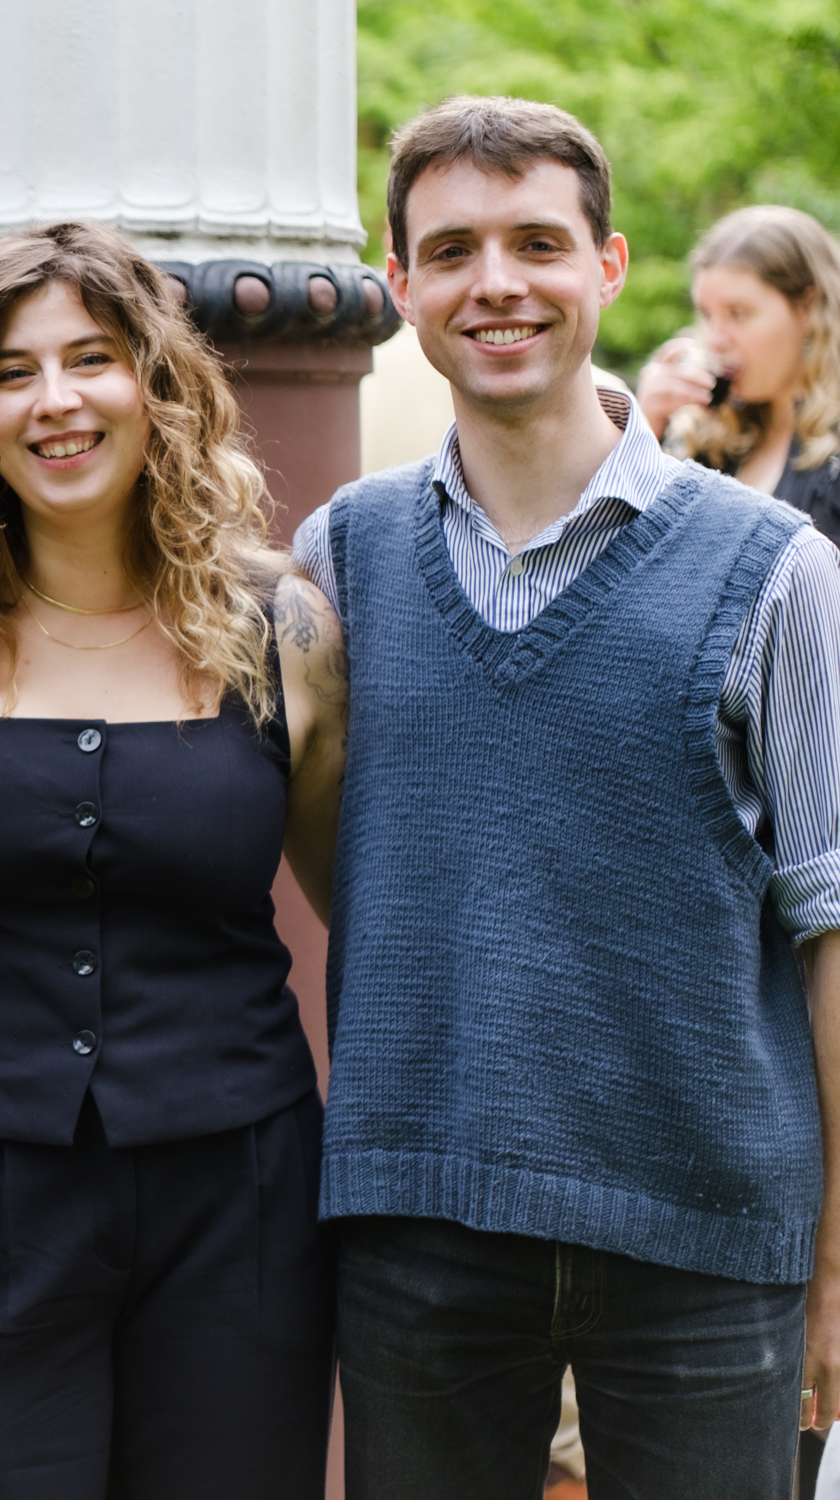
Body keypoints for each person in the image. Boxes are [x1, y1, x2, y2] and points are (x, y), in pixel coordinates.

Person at [292, 96, 840, 1495]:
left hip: (706, 1232)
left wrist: (837, 1260)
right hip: (416, 1213)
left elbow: (831, 924)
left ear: (603, 266)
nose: (497, 283)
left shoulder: (775, 569)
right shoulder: (337, 560)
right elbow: (336, 852)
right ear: (399, 286)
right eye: (452, 248)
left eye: (536, 242)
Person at [0, 221, 350, 1496]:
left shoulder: (283, 632)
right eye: (9, 371)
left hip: (241, 1202)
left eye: (91, 359)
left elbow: (366, 914)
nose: (55, 401)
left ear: (158, 385)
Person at [638, 205, 840, 541]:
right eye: (707, 314)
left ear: (806, 309)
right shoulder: (711, 437)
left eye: (738, 313)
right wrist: (647, 430)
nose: (716, 338)